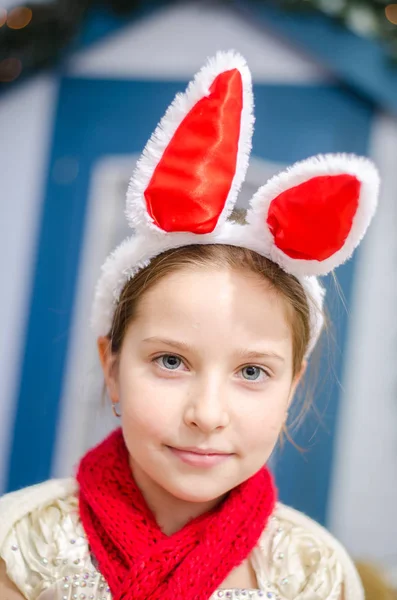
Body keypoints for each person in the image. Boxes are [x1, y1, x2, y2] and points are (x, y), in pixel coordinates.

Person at [0, 50, 380, 600]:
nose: (206, 415)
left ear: (292, 388)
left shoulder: (314, 572)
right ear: (111, 367)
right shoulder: (18, 544)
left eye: (251, 371)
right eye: (170, 361)